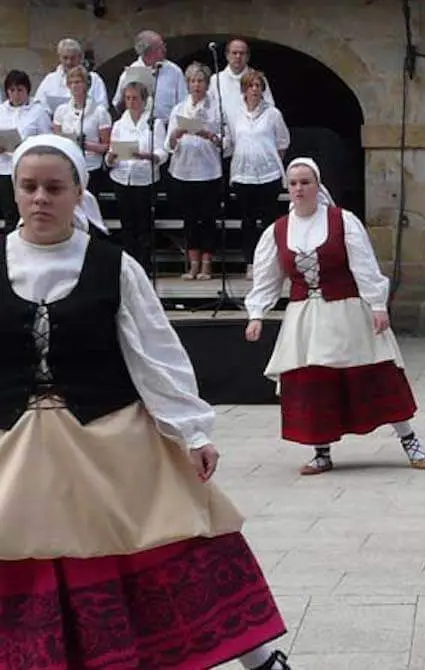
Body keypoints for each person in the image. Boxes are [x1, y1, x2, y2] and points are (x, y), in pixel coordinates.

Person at [0, 134, 290, 670]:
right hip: (14, 445)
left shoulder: (113, 265)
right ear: (15, 192)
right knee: (25, 558)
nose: (41, 198)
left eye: (54, 188)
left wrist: (193, 431)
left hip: (108, 437)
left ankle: (261, 661)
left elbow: (156, 354)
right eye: (29, 187)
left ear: (78, 193)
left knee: (171, 541)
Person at [244, 157, 425, 475]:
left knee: (375, 375)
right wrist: (257, 314)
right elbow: (267, 278)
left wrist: (377, 305)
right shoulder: (278, 231)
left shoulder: (341, 221)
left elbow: (364, 265)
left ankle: (410, 440)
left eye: (306, 182)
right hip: (306, 319)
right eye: (293, 184)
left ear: (318, 186)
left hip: (347, 311)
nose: (299, 189)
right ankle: (322, 452)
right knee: (314, 383)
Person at [226, 68, 289, 279]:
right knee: (248, 220)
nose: (254, 90)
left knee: (269, 220)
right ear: (244, 89)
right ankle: (251, 262)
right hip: (244, 175)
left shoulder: (273, 114)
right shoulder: (235, 114)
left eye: (258, 86)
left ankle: (271, 262)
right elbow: (232, 140)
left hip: (268, 174)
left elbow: (282, 142)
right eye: (250, 86)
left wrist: (268, 158)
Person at [166, 62, 223, 280]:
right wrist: (177, 134)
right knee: (189, 219)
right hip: (184, 170)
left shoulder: (216, 108)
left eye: (200, 81)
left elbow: (226, 142)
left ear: (207, 84)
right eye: (192, 81)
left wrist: (208, 135)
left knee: (208, 219)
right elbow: (167, 145)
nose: (196, 85)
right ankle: (193, 265)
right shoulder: (179, 108)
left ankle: (207, 265)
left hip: (208, 170)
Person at [105, 81, 167, 274]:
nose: (131, 102)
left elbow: (162, 151)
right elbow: (110, 155)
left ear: (144, 100)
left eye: (135, 98)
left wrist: (149, 156)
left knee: (144, 223)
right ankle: (129, 265)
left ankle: (145, 264)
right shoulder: (119, 124)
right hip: (122, 177)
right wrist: (111, 158)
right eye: (128, 98)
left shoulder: (153, 123)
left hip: (144, 178)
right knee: (127, 223)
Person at [50, 64, 112, 195]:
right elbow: (56, 140)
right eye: (70, 82)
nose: (74, 86)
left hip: (91, 166)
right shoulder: (61, 111)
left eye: (77, 82)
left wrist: (86, 145)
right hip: (68, 166)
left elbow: (106, 146)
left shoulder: (99, 111)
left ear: (86, 84)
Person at [0, 70, 51, 228]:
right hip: (5, 168)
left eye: (20, 90)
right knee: (9, 213)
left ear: (27, 90)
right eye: (12, 90)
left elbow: (47, 139)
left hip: (28, 168)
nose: (15, 94)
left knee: (28, 212)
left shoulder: (38, 111)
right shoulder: (1, 111)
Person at [111, 30, 187, 122]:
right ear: (148, 53)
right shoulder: (130, 73)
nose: (164, 49)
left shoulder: (174, 71)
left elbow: (184, 103)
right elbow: (118, 106)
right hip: (140, 128)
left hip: (167, 126)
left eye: (163, 45)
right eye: (160, 47)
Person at [211, 38, 276, 130]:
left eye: (242, 53)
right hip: (224, 135)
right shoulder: (215, 80)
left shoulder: (258, 79)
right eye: (234, 53)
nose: (238, 56)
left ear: (248, 57)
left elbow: (269, 107)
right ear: (227, 55)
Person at [33, 38, 109, 115]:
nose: (69, 62)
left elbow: (102, 106)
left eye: (72, 58)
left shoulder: (94, 79)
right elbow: (38, 106)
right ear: (60, 57)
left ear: (80, 57)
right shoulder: (50, 79)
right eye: (65, 58)